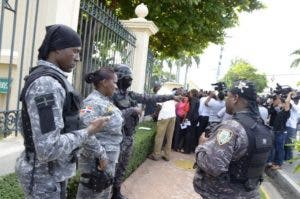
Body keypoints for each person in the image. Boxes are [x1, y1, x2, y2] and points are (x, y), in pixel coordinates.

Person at [15, 24, 109, 199]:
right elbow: (47, 148)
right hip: (43, 178)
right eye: (74, 51)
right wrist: (89, 131)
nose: (78, 57)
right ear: (57, 49)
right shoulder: (46, 84)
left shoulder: (57, 81)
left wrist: (98, 149)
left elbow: (72, 124)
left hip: (54, 174)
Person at [193, 80, 273, 199]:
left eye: (228, 97)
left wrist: (201, 147)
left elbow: (213, 166)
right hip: (250, 193)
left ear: (235, 98)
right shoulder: (265, 128)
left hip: (223, 194)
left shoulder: (231, 128)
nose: (226, 100)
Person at [111, 64, 179, 199]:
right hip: (116, 139)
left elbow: (150, 97)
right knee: (111, 169)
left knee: (123, 167)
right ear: (118, 78)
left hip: (129, 136)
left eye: (131, 78)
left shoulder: (130, 95)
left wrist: (170, 97)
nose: (130, 80)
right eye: (127, 77)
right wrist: (132, 110)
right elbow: (111, 116)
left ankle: (116, 193)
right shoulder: (111, 95)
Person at [76, 67, 134, 199]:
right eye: (114, 82)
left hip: (106, 161)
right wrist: (101, 155)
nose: (116, 86)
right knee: (92, 194)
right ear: (103, 82)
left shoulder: (105, 100)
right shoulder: (92, 102)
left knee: (103, 193)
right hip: (96, 162)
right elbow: (85, 131)